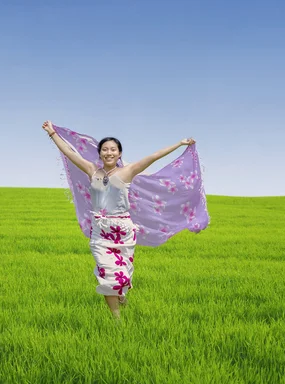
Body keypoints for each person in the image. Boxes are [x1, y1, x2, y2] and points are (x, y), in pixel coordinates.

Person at [41, 120, 196, 319]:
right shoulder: (92, 170)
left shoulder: (128, 171)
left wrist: (180, 143)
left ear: (119, 153)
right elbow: (70, 154)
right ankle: (117, 321)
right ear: (100, 153)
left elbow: (154, 156)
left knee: (123, 274)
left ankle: (121, 294)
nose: (109, 153)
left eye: (113, 149)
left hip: (122, 230)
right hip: (100, 231)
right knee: (106, 274)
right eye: (105, 149)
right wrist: (52, 133)